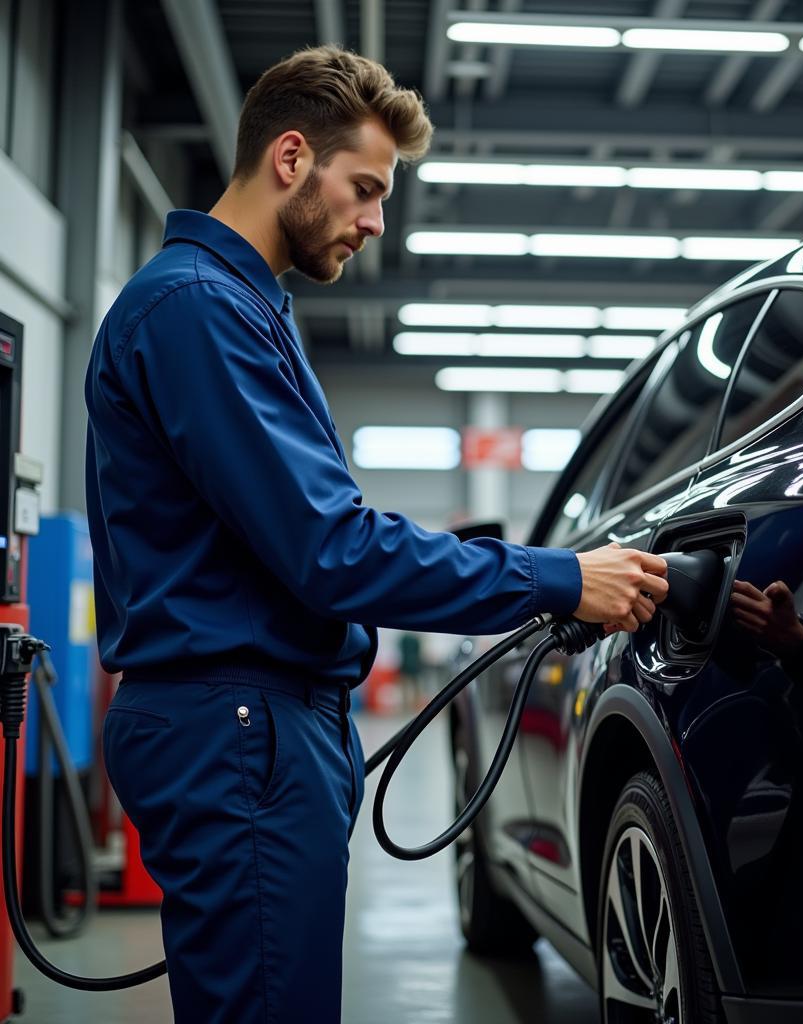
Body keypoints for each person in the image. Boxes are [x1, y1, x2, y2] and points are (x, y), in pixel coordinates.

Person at [85, 46, 669, 1024]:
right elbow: (332, 548)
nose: (373, 221)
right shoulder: (198, 310)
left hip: (251, 725)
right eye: (363, 188)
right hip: (236, 728)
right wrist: (556, 579)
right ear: (287, 158)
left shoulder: (242, 309)